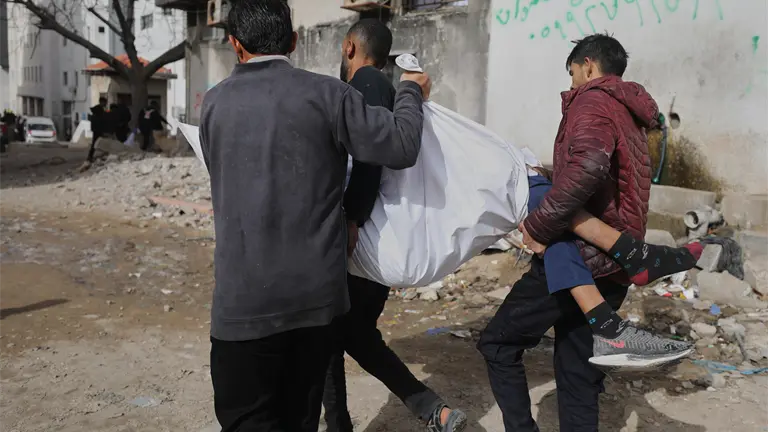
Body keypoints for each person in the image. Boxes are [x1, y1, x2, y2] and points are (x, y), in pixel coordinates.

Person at [199, 1, 431, 431]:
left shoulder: (213, 104)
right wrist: (411, 90)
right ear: (293, 41)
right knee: (300, 419)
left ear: (234, 44)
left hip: (243, 307)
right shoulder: (329, 95)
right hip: (314, 304)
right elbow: (402, 146)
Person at [477, 34, 694, 431]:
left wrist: (539, 226)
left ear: (589, 66)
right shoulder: (627, 111)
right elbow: (603, 174)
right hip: (612, 264)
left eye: (573, 73)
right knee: (577, 373)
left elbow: (589, 167)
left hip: (577, 261)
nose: (572, 82)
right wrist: (550, 175)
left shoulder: (592, 100)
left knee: (498, 344)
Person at [323, 19, 466, 432]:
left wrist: (353, 217)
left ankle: (414, 410)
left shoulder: (365, 83)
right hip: (378, 234)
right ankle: (431, 409)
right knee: (350, 334)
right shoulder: (384, 88)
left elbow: (368, 160)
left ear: (349, 46)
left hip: (363, 236)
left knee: (333, 334)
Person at [87, 97, 108, 162]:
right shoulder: (99, 110)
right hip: (98, 129)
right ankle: (90, 157)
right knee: (96, 142)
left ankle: (90, 156)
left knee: (96, 142)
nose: (106, 104)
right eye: (105, 102)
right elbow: (100, 120)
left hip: (96, 129)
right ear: (102, 102)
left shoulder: (97, 109)